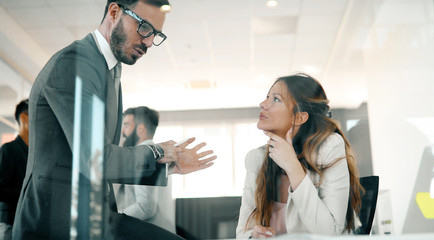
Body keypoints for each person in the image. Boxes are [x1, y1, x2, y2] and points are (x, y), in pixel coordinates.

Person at [12, 1, 216, 239]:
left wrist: (168, 167)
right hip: (56, 222)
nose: (149, 41)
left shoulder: (108, 69)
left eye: (156, 34)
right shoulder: (76, 62)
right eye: (144, 27)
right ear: (114, 12)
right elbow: (96, 160)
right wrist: (157, 152)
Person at [236, 73, 363, 238]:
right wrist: (254, 236)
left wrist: (292, 166)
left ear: (300, 117)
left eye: (276, 99)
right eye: (267, 97)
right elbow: (242, 232)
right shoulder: (256, 159)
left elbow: (329, 234)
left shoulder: (329, 147)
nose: (263, 104)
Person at [115, 106, 176, 233]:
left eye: (126, 125)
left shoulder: (143, 156)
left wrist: (115, 218)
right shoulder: (158, 154)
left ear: (140, 129)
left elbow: (146, 207)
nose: (122, 132)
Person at [0, 99, 29, 240]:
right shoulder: (8, 149)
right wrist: (28, 194)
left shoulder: (33, 153)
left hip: (26, 223)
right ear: (24, 117)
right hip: (10, 223)